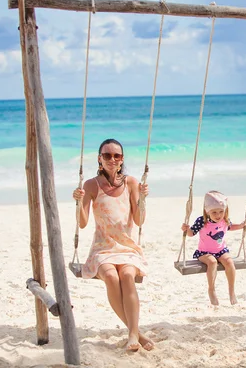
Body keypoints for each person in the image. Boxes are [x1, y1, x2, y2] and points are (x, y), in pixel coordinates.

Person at [72, 138, 154, 352]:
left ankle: (133, 334)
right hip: (102, 248)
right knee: (111, 276)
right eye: (107, 155)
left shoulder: (131, 183)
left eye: (116, 155)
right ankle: (136, 333)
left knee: (127, 276)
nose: (112, 159)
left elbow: (139, 220)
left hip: (127, 247)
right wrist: (79, 202)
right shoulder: (91, 185)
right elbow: (82, 223)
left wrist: (142, 200)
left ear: (122, 160)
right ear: (99, 159)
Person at [181, 191, 246, 306]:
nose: (218, 215)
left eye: (221, 211)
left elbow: (230, 227)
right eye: (214, 212)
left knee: (229, 261)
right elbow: (191, 233)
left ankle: (231, 290)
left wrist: (241, 226)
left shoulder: (225, 220)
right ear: (207, 212)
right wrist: (186, 230)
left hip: (220, 250)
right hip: (204, 253)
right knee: (212, 262)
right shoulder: (202, 221)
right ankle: (211, 289)